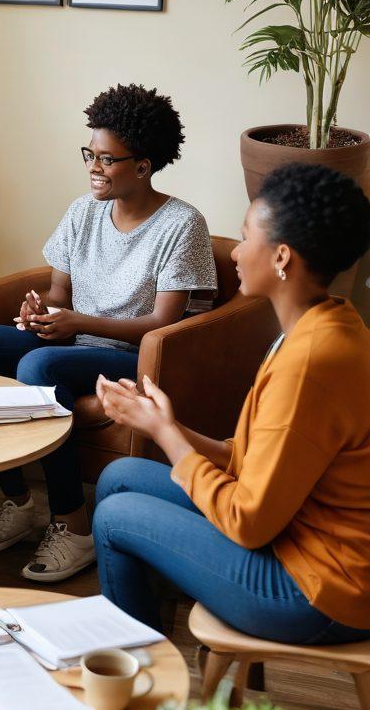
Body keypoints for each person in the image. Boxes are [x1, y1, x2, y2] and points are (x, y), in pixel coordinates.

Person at [0, 84, 217, 582]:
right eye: (90, 154)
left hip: (135, 356)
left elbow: (163, 327)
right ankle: (18, 503)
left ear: (143, 166)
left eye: (107, 159)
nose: (93, 167)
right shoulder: (82, 211)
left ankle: (74, 526)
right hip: (73, 342)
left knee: (38, 367)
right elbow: (59, 292)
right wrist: (40, 310)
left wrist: (77, 322)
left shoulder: (181, 224)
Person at [92, 163, 370, 644]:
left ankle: (143, 690)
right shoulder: (322, 325)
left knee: (115, 518)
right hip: (294, 534)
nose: (236, 252)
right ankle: (157, 645)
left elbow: (248, 521)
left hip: (320, 589)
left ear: (282, 257)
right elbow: (253, 461)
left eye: (245, 238)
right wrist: (165, 422)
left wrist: (164, 435)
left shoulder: (309, 364)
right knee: (120, 478)